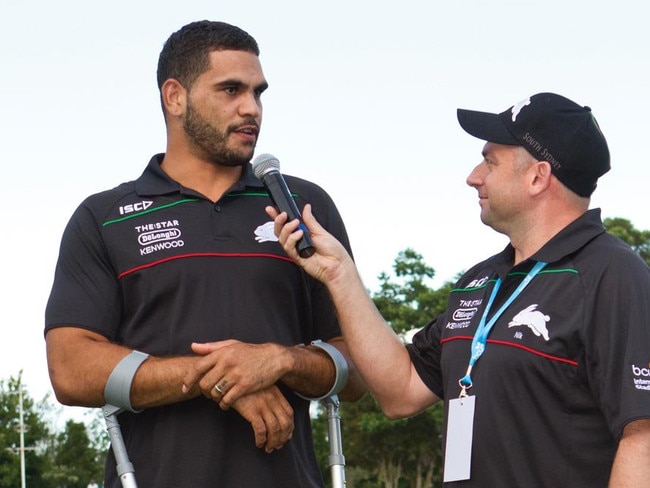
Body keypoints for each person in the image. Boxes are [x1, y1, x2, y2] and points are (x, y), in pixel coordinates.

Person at [45, 20, 365, 488]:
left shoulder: (302, 206)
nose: (251, 108)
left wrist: (282, 361)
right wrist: (217, 377)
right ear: (174, 97)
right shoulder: (104, 216)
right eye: (231, 89)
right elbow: (70, 369)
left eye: (258, 92)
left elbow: (358, 371)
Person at [271, 92, 650, 486]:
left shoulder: (612, 273)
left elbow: (642, 435)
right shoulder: (480, 282)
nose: (474, 176)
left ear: (538, 177)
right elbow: (399, 390)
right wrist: (339, 275)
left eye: (490, 161)